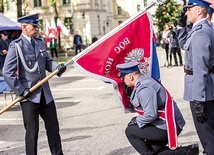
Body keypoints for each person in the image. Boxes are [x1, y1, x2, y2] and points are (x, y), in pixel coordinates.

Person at [3, 13, 66, 155]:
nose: (36, 29)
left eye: (37, 26)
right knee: (32, 134)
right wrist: (20, 90)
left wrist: (57, 67)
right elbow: (7, 72)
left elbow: (48, 61)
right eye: (34, 26)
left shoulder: (39, 42)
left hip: (45, 94)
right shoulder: (16, 46)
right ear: (24, 27)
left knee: (54, 130)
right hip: (29, 96)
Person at [116, 61, 199, 155]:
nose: (123, 80)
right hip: (167, 122)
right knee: (153, 150)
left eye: (123, 77)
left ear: (130, 77)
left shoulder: (144, 88)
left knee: (130, 131)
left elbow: (151, 114)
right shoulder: (144, 81)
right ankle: (188, 152)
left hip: (168, 124)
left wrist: (137, 120)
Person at [176, 0, 214, 154]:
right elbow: (184, 44)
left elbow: (200, 69)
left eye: (188, 9)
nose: (186, 13)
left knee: (208, 135)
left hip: (202, 91)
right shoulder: (201, 29)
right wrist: (180, 25)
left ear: (198, 10)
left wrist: (198, 99)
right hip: (204, 88)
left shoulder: (201, 33)